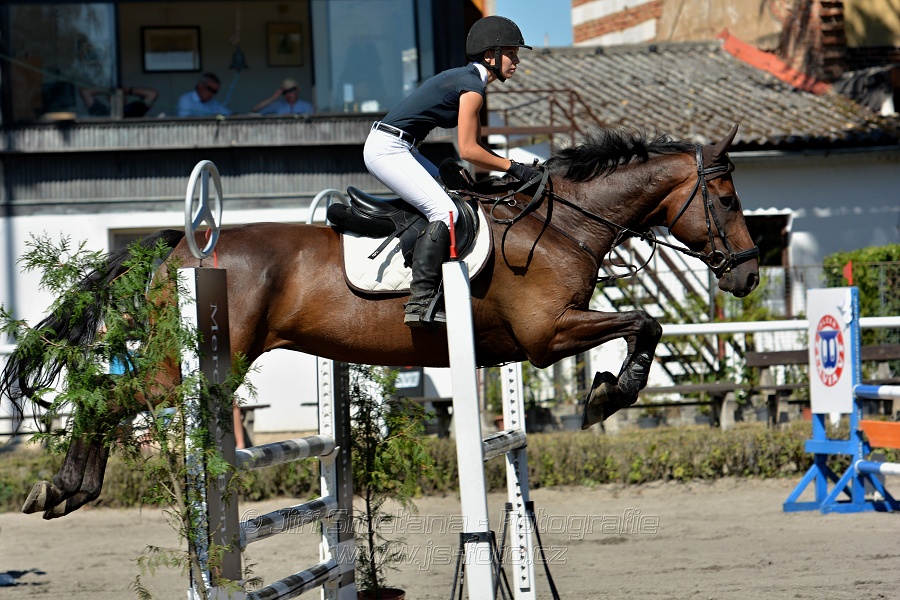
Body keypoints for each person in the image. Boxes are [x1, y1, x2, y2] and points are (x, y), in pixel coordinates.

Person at [363, 15, 537, 327]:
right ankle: (421, 300)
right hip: (388, 149)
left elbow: (475, 148)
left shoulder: (469, 79)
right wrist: (516, 168)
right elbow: (470, 149)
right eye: (512, 53)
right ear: (491, 56)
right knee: (446, 213)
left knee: (453, 196)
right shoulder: (472, 88)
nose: (517, 60)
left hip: (403, 147)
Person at [79, 85, 158, 118]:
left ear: (125, 97)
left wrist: (129, 90)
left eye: (120, 95)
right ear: (108, 98)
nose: (117, 98)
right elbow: (85, 92)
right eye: (113, 95)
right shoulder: (101, 110)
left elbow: (152, 94)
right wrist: (106, 90)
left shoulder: (134, 109)